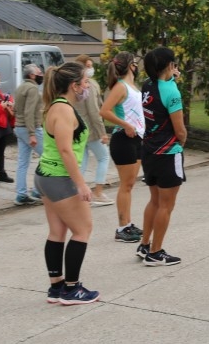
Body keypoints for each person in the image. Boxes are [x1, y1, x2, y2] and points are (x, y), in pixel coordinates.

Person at [35, 62, 99, 305]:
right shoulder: (63, 109)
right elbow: (64, 149)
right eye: (84, 82)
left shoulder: (57, 106)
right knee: (83, 230)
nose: (87, 87)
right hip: (58, 179)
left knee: (57, 232)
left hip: (48, 177)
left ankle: (56, 286)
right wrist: (81, 184)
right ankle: (71, 289)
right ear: (74, 85)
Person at [138, 47, 187, 265]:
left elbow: (163, 89)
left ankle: (145, 244)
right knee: (166, 205)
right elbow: (180, 130)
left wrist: (172, 80)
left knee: (155, 201)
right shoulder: (172, 92)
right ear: (170, 65)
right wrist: (181, 142)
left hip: (149, 149)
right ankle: (156, 253)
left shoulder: (147, 85)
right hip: (168, 152)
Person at [99, 52, 144, 243]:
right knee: (125, 185)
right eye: (135, 62)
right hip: (123, 139)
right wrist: (125, 125)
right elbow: (104, 111)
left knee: (130, 184)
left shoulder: (133, 86)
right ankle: (122, 228)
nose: (137, 66)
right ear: (131, 66)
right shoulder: (120, 86)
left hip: (137, 138)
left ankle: (128, 223)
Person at [73, 55, 114, 207]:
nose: (91, 69)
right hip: (90, 130)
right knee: (103, 157)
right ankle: (98, 192)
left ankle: (78, 193)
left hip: (78, 130)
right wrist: (102, 132)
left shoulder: (75, 86)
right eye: (88, 66)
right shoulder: (88, 86)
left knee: (81, 162)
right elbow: (94, 111)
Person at [13, 64, 44, 206]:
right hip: (30, 128)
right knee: (48, 157)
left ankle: (21, 194)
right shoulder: (32, 89)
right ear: (32, 75)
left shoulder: (21, 87)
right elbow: (29, 112)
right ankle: (37, 190)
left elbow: (16, 109)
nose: (41, 74)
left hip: (19, 127)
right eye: (39, 72)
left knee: (23, 162)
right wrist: (32, 133)